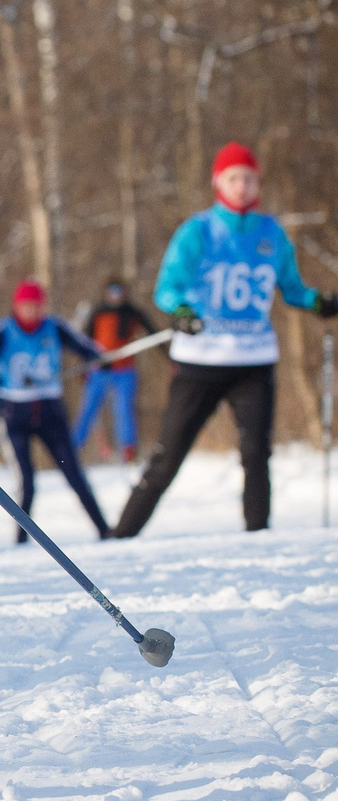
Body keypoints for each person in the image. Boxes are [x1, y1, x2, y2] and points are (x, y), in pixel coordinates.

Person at [113, 142, 338, 537]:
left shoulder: (271, 233)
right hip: (202, 360)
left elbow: (292, 288)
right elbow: (168, 287)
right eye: (234, 178)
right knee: (169, 455)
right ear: (218, 182)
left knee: (256, 453)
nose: (242, 186)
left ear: (258, 183)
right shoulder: (198, 231)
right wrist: (182, 312)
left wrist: (318, 302)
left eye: (249, 178)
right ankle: (121, 536)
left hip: (254, 359)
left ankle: (258, 536)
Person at [0, 279, 110, 542]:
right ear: (17, 306)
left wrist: (98, 358)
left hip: (50, 410)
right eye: (26, 306)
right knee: (27, 481)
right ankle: (21, 539)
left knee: (73, 472)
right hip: (15, 412)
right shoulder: (2, 330)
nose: (32, 311)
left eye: (36, 306)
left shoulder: (54, 327)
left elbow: (84, 348)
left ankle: (105, 530)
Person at [74, 279, 154, 462]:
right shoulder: (99, 312)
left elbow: (152, 332)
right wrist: (84, 367)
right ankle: (73, 448)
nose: (115, 295)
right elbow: (85, 342)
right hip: (100, 370)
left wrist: (169, 358)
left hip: (125, 371)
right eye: (112, 291)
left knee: (124, 410)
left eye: (119, 291)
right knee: (88, 409)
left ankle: (128, 449)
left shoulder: (132, 313)